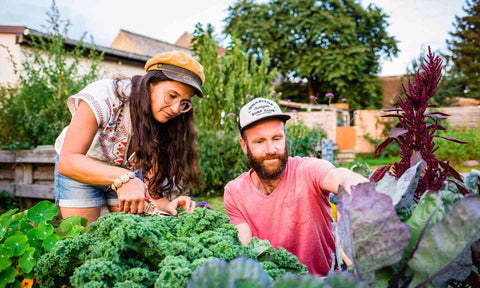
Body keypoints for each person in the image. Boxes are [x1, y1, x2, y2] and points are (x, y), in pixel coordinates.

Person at [223, 97, 369, 276]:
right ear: (244, 146)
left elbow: (347, 178)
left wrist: (349, 208)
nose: (271, 149)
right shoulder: (235, 192)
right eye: (260, 141)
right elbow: (244, 250)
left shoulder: (308, 171)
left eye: (276, 138)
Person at [55, 51, 202, 225]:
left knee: (130, 237)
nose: (177, 109)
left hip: (125, 178)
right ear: (150, 84)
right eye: (172, 96)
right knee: (84, 240)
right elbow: (68, 161)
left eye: (184, 102)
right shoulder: (106, 94)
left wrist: (169, 205)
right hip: (81, 171)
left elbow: (152, 194)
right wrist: (125, 177)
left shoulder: (166, 124)